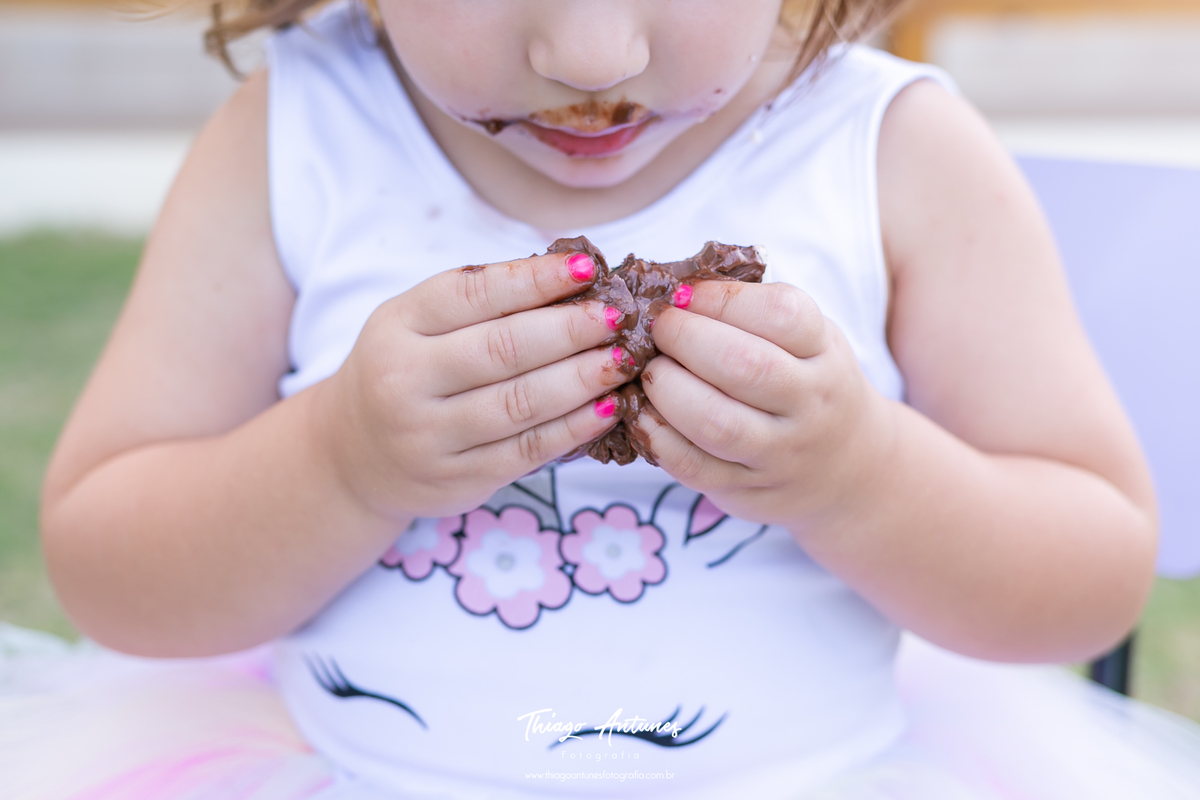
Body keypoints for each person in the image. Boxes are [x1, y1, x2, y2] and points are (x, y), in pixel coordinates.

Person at [4, 0, 1200, 797]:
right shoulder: (296, 132)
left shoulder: (889, 151)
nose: (590, 53)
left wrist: (866, 477)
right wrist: (338, 461)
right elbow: (113, 571)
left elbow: (1087, 579)